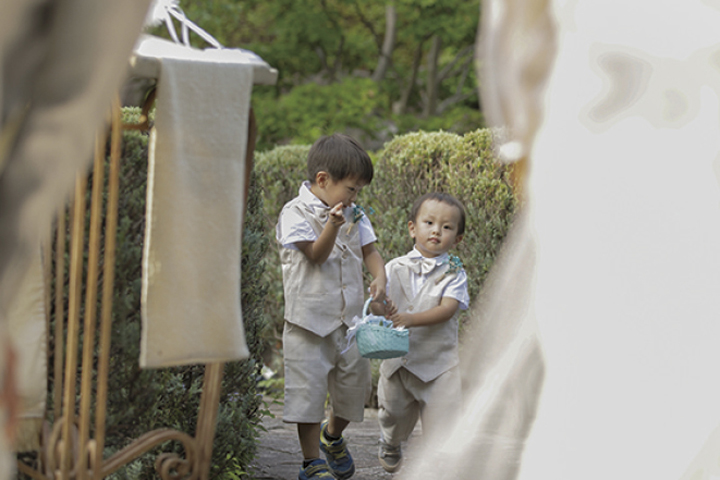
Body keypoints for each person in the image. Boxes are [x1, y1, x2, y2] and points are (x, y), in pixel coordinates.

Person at [276, 133, 387, 480]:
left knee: (354, 392)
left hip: (349, 322)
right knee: (307, 394)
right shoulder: (294, 213)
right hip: (307, 323)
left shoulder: (354, 213)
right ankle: (312, 461)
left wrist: (380, 276)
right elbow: (315, 255)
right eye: (352, 189)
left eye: (358, 191)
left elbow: (369, 250)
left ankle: (333, 436)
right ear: (323, 180)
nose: (356, 196)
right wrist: (332, 227)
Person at [371, 192, 469, 473]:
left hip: (439, 365)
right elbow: (381, 310)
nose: (437, 230)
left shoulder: (455, 272)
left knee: (444, 418)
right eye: (429, 223)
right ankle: (390, 441)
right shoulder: (393, 268)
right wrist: (378, 302)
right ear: (413, 228)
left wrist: (411, 319)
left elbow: (448, 309)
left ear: (457, 239)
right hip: (398, 364)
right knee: (393, 413)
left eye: (447, 227)